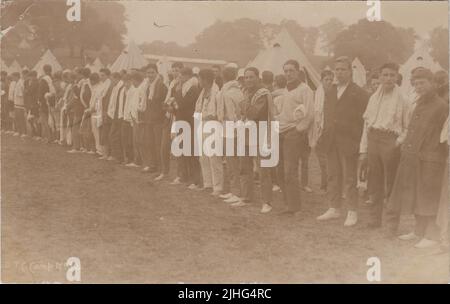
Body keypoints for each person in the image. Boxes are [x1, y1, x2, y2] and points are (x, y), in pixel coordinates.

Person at [386, 67, 448, 248]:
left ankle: (432, 235)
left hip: (432, 159)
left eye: (422, 83)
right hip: (414, 157)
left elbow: (444, 136)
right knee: (416, 195)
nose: (419, 87)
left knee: (429, 196)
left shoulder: (442, 106)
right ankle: (418, 230)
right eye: (416, 84)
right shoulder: (418, 103)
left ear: (433, 83)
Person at [316, 56, 369, 227]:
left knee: (349, 178)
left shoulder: (360, 93)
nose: (339, 72)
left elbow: (364, 120)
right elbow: (328, 115)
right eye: (337, 69)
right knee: (333, 175)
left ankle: (352, 211)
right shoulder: (330, 90)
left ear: (350, 71)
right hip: (331, 140)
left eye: (343, 69)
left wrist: (360, 144)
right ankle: (334, 207)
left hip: (349, 141)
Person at [359, 63, 409, 229]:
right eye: (385, 75)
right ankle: (374, 219)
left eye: (392, 75)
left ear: (397, 77)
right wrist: (364, 150)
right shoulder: (373, 98)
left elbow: (407, 127)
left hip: (390, 141)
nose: (388, 78)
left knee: (392, 184)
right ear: (379, 77)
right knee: (374, 181)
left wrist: (397, 142)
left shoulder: (402, 99)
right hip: (373, 139)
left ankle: (391, 223)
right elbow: (366, 125)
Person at [275, 60, 314, 216]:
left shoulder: (305, 90)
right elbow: (282, 111)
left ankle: (295, 207)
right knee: (279, 170)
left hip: (293, 133)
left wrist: (299, 129)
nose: (288, 74)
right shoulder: (285, 90)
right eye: (286, 71)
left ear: (298, 71)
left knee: (290, 171)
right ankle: (288, 203)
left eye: (291, 70)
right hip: (281, 131)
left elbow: (310, 113)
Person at [233, 67, 274, 213]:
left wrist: (242, 106)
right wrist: (243, 108)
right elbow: (240, 113)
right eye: (246, 77)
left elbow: (253, 113)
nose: (248, 80)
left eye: (251, 77)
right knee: (244, 166)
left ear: (258, 78)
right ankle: (246, 196)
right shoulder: (246, 92)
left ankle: (266, 201)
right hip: (247, 132)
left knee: (263, 170)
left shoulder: (262, 93)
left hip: (261, 133)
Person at [216, 66, 245, 203]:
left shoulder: (226, 93)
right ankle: (235, 190)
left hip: (230, 128)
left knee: (231, 161)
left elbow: (231, 115)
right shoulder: (239, 91)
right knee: (234, 161)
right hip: (238, 127)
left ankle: (236, 191)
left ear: (223, 77)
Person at [172, 67, 201, 189]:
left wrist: (177, 95)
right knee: (183, 150)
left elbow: (183, 104)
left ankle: (195, 179)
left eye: (181, 76)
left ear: (187, 76)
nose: (180, 79)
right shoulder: (184, 88)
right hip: (182, 120)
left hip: (189, 122)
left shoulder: (193, 88)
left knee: (191, 152)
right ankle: (186, 176)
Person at [195, 68, 223, 196]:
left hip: (213, 126)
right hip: (202, 125)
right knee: (203, 157)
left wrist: (206, 117)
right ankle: (208, 183)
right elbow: (198, 109)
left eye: (200, 78)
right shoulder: (202, 92)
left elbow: (218, 114)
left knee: (214, 157)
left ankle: (218, 186)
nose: (199, 81)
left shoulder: (217, 93)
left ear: (205, 79)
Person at [309, 70, 334, 194]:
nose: (329, 82)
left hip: (331, 131)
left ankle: (329, 186)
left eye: (331, 80)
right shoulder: (318, 94)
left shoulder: (335, 94)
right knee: (322, 160)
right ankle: (325, 185)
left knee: (330, 160)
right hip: (320, 130)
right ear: (322, 81)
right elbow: (316, 113)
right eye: (326, 80)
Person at [106, 72, 127, 162]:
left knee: (115, 136)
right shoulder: (116, 87)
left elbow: (120, 103)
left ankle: (119, 156)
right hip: (115, 114)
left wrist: (119, 115)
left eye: (112, 79)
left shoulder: (121, 88)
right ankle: (117, 155)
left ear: (116, 78)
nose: (111, 81)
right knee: (114, 135)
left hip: (119, 115)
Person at [38, 64, 56, 143]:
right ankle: (53, 137)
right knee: (52, 120)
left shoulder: (43, 80)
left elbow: (41, 92)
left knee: (45, 120)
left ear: (44, 70)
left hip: (45, 101)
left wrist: (40, 100)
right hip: (52, 101)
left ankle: (47, 137)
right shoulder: (53, 79)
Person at [98, 68, 113, 160]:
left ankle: (108, 153)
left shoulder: (109, 85)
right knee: (103, 132)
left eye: (103, 75)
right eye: (100, 75)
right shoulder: (103, 85)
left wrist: (105, 112)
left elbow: (108, 100)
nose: (101, 77)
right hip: (102, 110)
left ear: (107, 75)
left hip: (107, 111)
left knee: (107, 132)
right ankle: (104, 153)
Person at [24, 70, 40, 138]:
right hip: (31, 103)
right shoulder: (31, 82)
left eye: (31, 76)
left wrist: (27, 90)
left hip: (34, 103)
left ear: (34, 76)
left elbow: (29, 91)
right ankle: (34, 131)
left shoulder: (36, 82)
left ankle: (38, 133)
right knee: (31, 118)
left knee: (35, 118)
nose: (30, 78)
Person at [13, 69, 28, 137]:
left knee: (21, 118)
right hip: (16, 103)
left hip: (20, 103)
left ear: (16, 76)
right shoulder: (17, 83)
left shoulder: (21, 82)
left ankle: (24, 132)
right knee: (17, 118)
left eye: (14, 77)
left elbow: (23, 92)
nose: (13, 78)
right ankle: (19, 131)